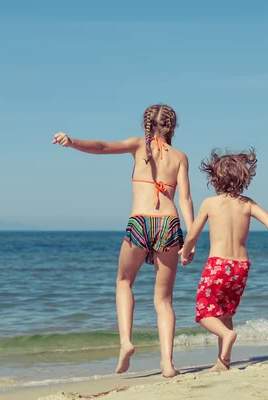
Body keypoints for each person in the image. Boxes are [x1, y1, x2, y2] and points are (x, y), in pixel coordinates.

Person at [52, 104, 194, 377]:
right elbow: (185, 199)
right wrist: (191, 237)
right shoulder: (180, 157)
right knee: (163, 300)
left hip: (140, 221)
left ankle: (126, 342)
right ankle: (167, 363)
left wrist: (72, 142)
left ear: (146, 125)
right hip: (169, 223)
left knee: (124, 281)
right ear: (172, 127)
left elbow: (103, 146)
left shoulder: (139, 145)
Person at [179, 148, 268, 372]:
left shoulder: (210, 203)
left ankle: (225, 334)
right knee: (225, 311)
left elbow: (193, 233)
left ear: (215, 179)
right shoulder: (247, 203)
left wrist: (186, 251)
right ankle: (224, 361)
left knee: (204, 312)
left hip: (218, 264)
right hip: (240, 267)